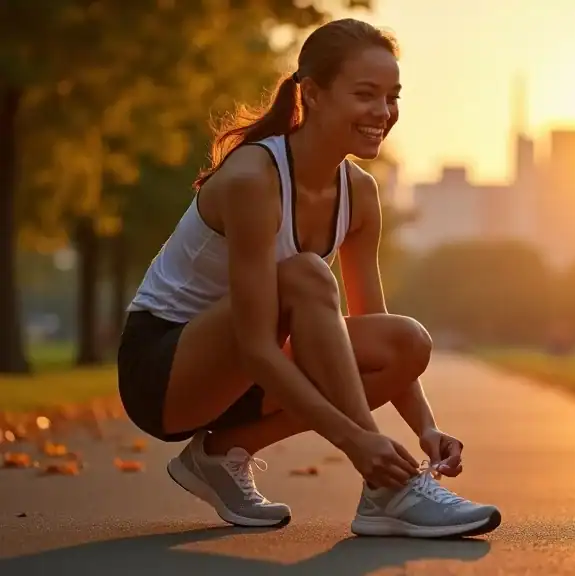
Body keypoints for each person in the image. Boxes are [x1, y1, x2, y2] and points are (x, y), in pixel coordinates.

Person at [116, 18, 500, 538]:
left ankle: (222, 455)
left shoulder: (360, 194)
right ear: (313, 95)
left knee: (405, 342)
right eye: (365, 94)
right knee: (304, 275)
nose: (382, 113)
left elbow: (369, 323)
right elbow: (255, 345)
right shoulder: (254, 179)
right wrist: (357, 443)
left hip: (249, 372)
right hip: (164, 371)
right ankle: (389, 488)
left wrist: (425, 427)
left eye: (392, 97)